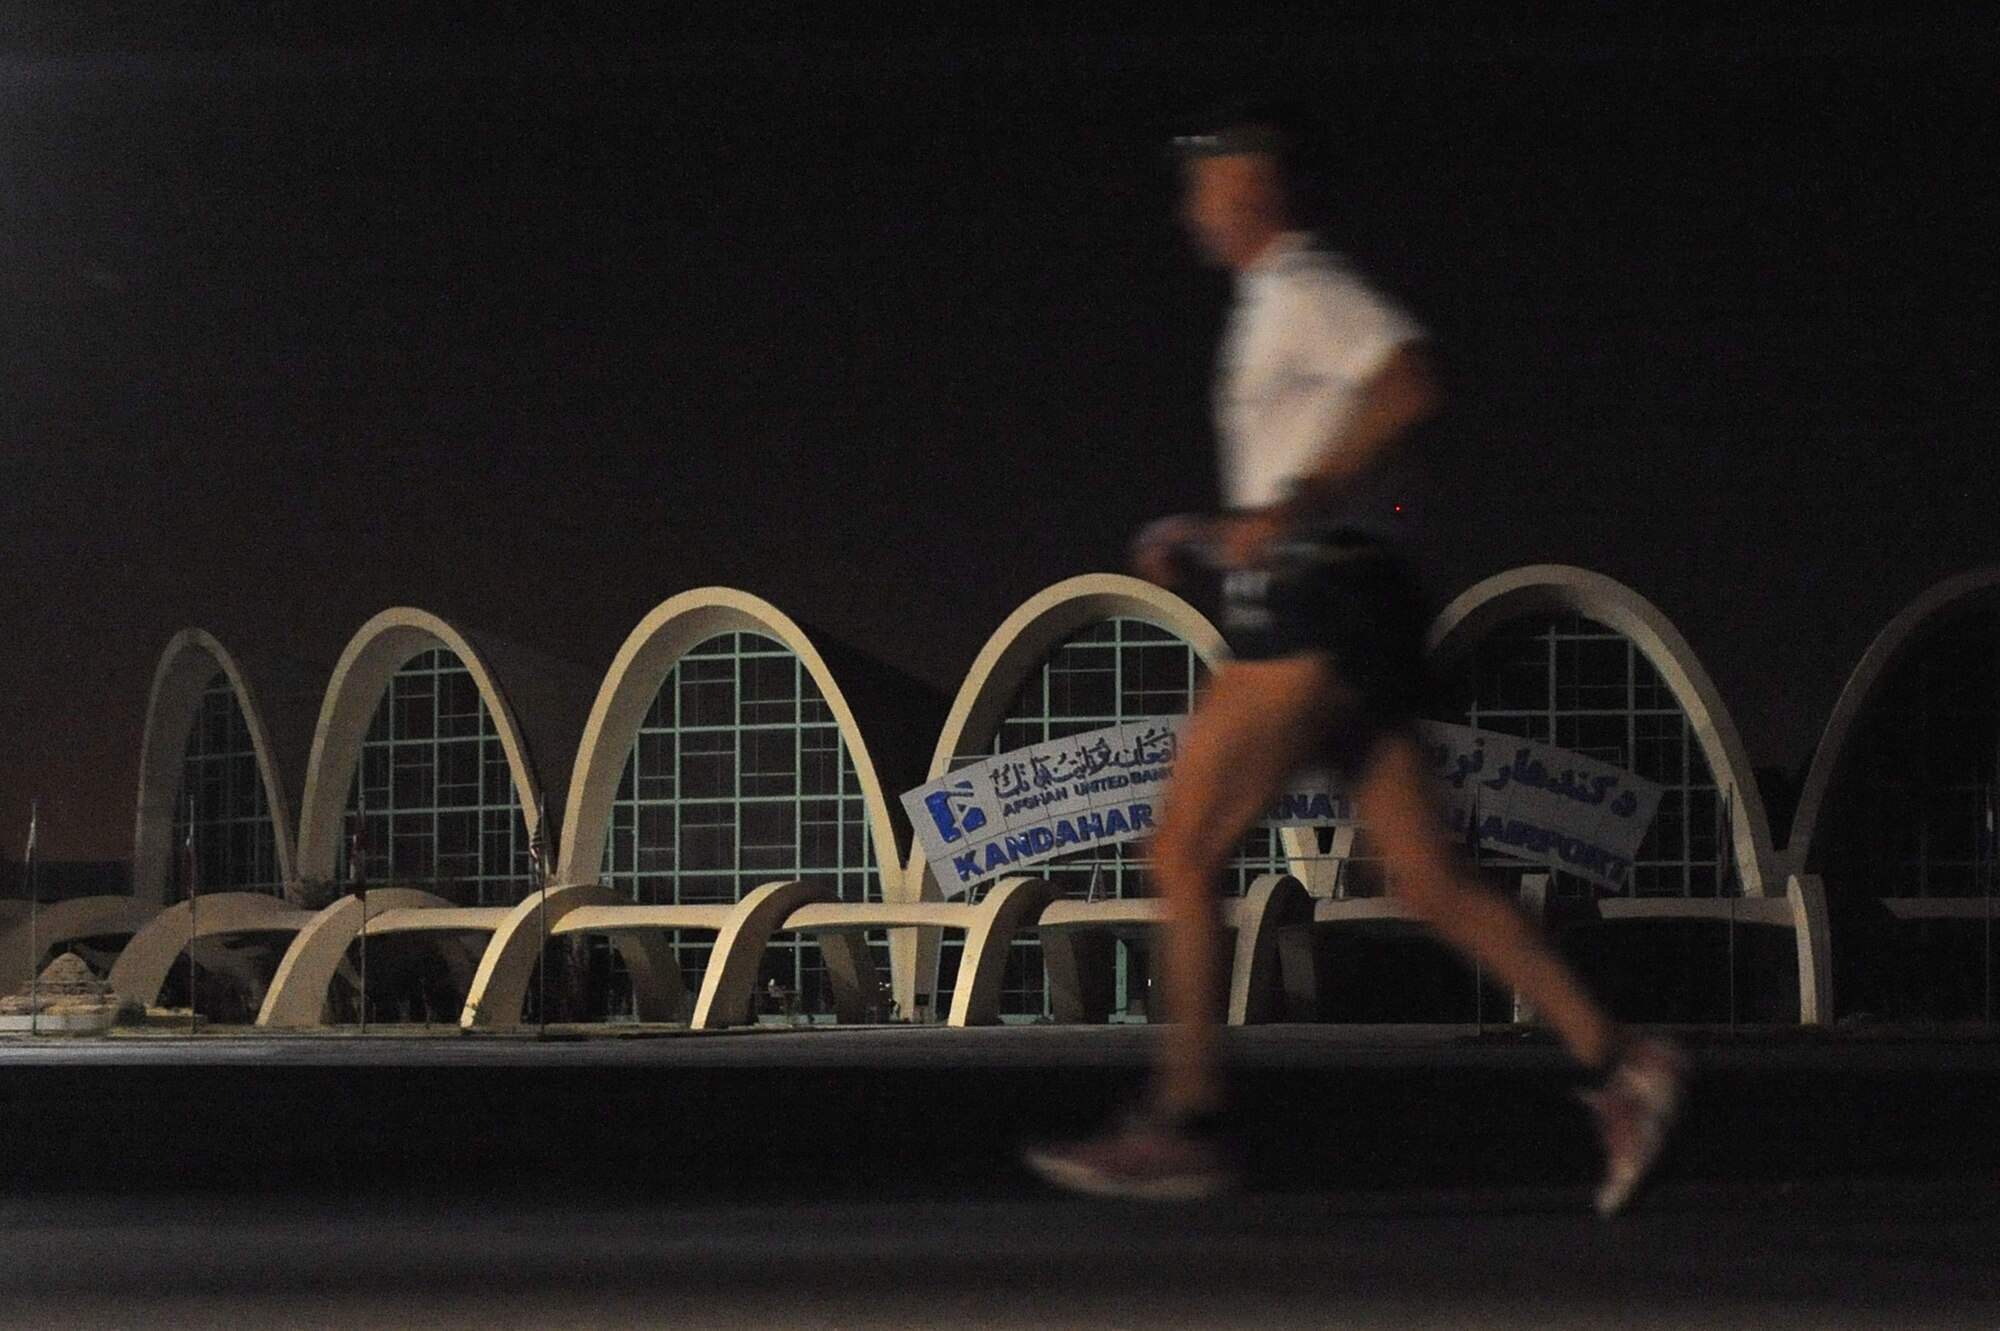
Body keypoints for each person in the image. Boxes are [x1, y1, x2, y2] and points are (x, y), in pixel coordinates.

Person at [1023, 106, 1684, 1215]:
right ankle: (1623, 1062)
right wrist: (1211, 526)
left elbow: (1411, 377)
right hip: (1349, 598)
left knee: (1179, 845)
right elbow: (1307, 450)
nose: (1189, 208)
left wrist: (1299, 499)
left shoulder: (1302, 288)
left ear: (1254, 189)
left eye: (1203, 185)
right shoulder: (1270, 305)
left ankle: (1184, 1121)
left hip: (1319, 600)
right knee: (1424, 878)